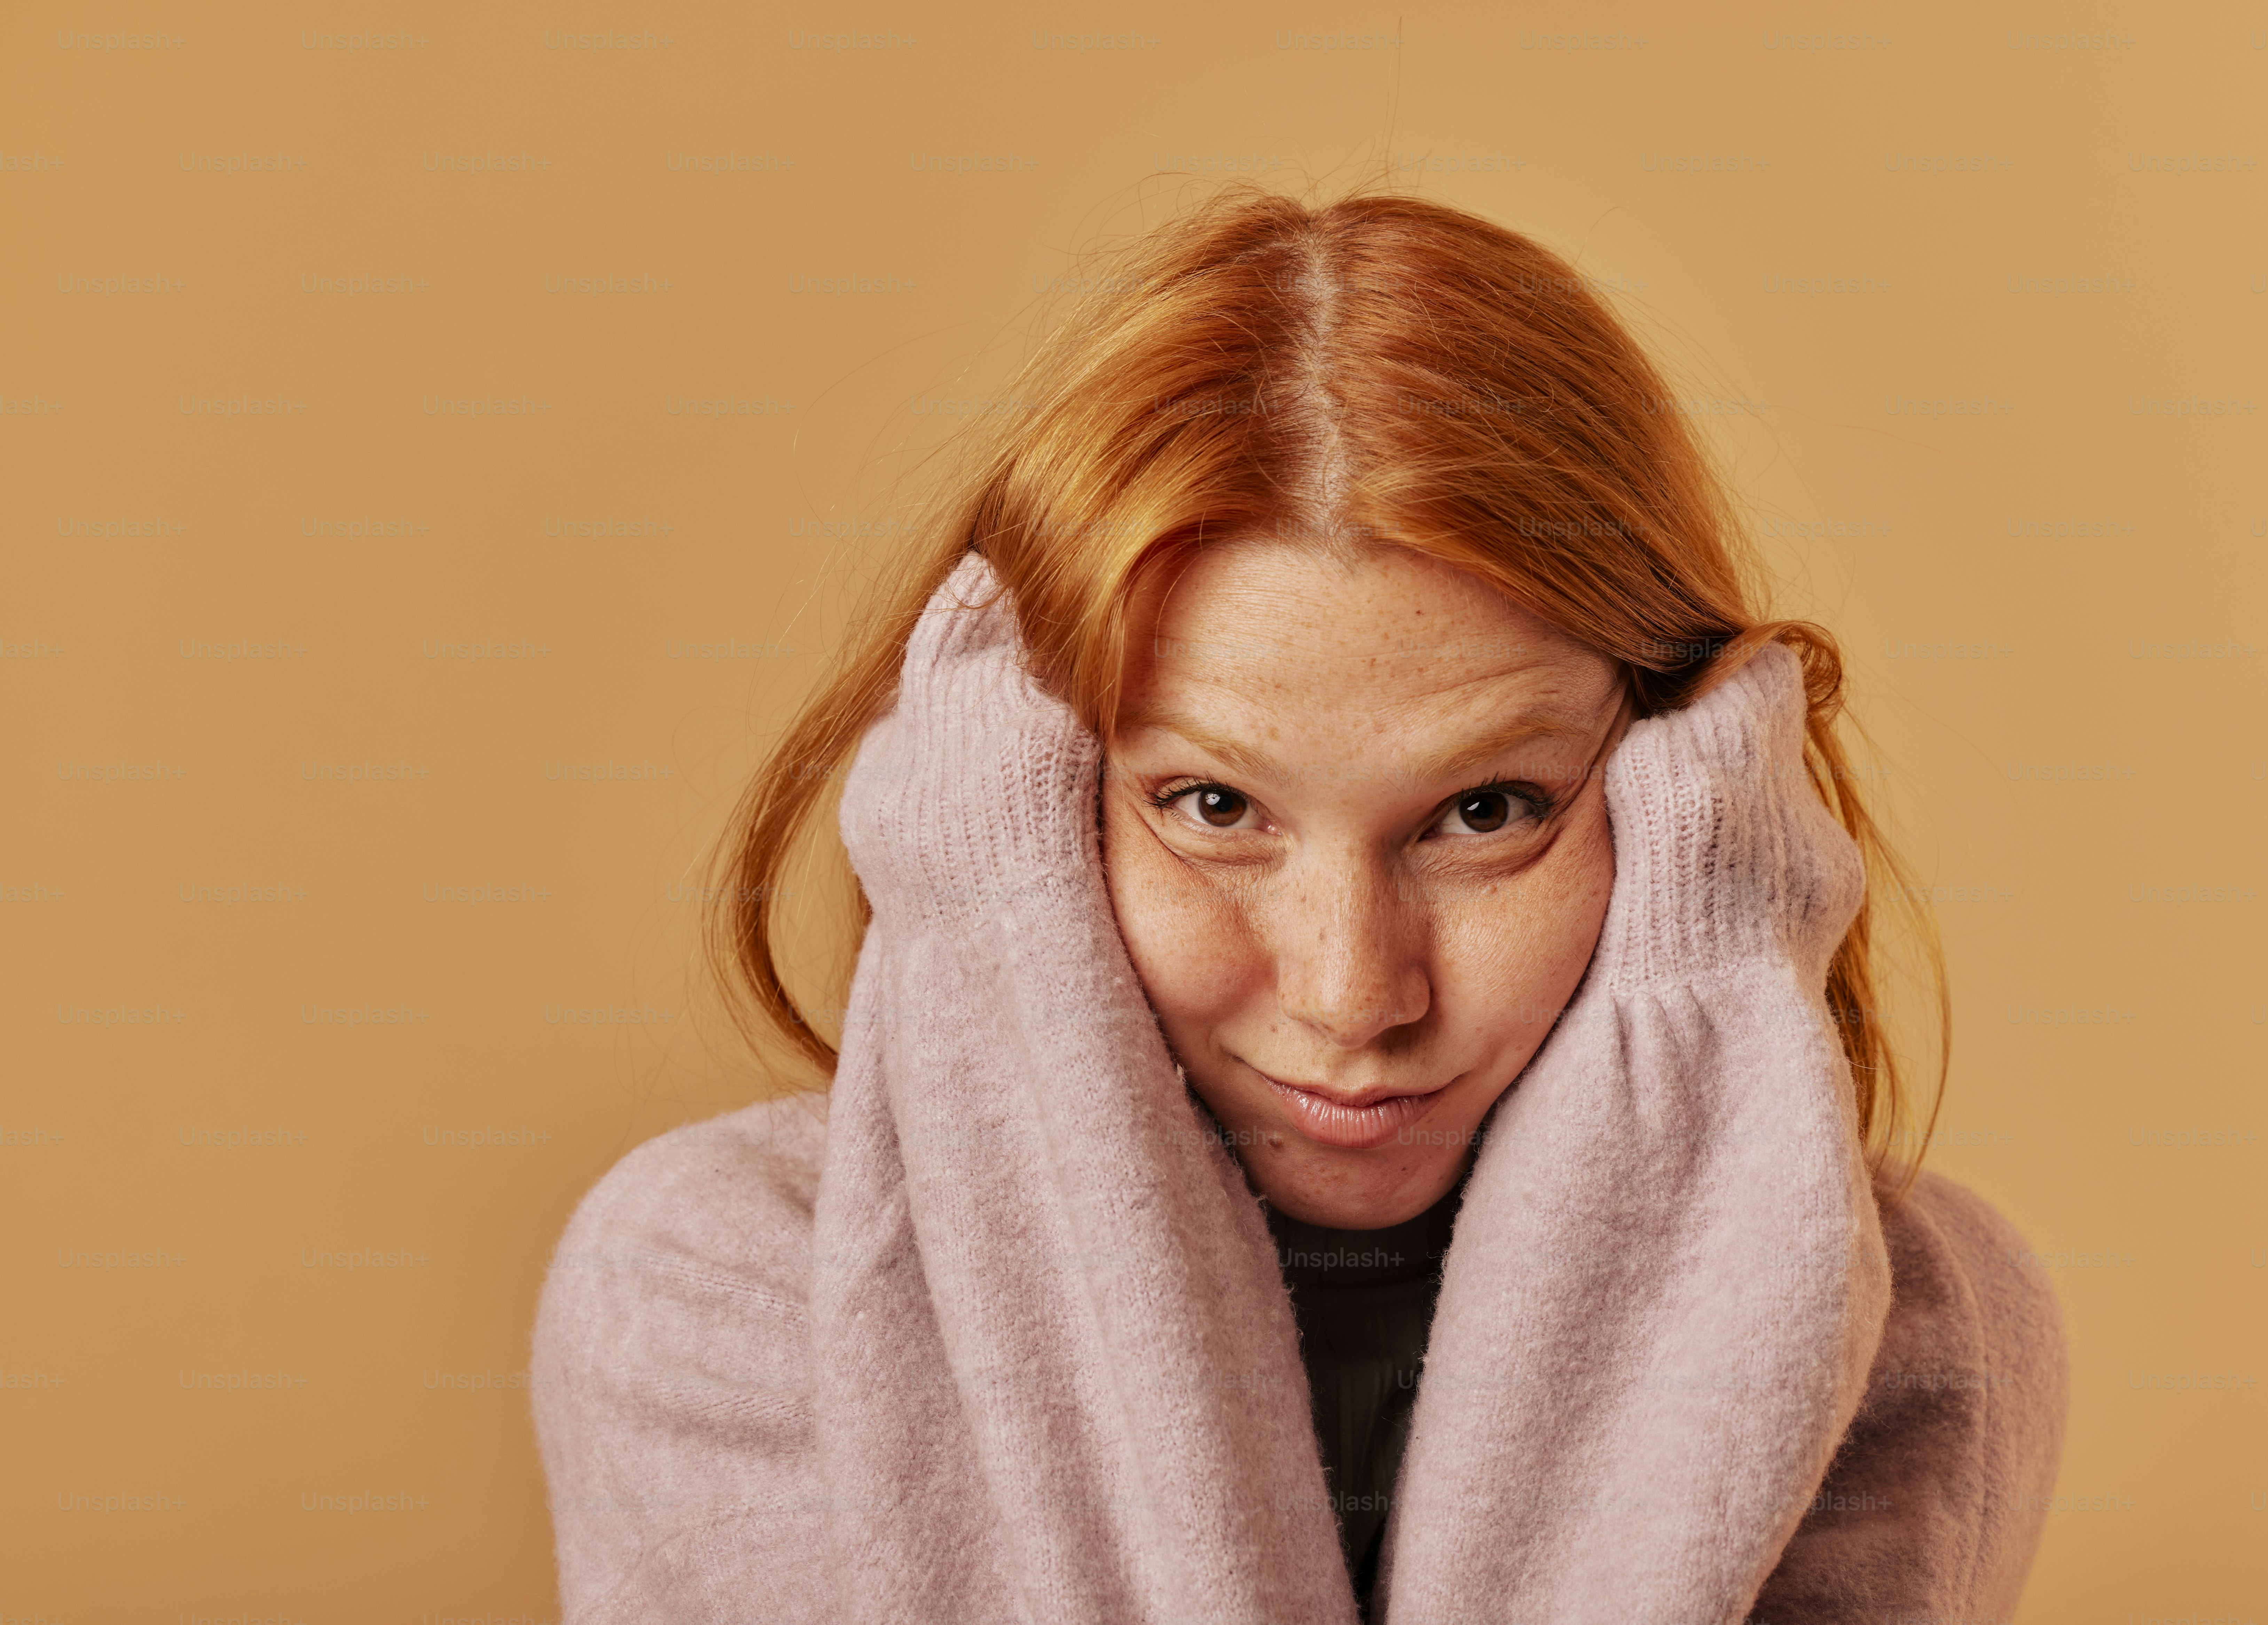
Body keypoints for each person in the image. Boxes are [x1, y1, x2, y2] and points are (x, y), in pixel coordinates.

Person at [530, 187, 2069, 1624]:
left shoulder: (1906, 1332)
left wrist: (1708, 1017)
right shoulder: (720, 1289)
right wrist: (992, 953)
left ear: (1697, 808)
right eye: (1214, 807)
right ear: (1015, 796)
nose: (1352, 993)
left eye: (1486, 812)